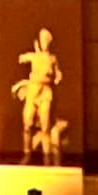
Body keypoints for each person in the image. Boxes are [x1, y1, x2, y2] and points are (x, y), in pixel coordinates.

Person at [12, 29, 63, 163]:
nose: (44, 42)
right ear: (39, 41)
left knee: (45, 126)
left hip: (45, 91)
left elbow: (58, 74)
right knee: (27, 123)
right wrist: (30, 56)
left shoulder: (52, 59)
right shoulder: (34, 56)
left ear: (49, 42)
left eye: (46, 40)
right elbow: (21, 58)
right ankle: (27, 154)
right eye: (42, 40)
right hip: (33, 90)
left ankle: (47, 158)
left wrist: (57, 77)